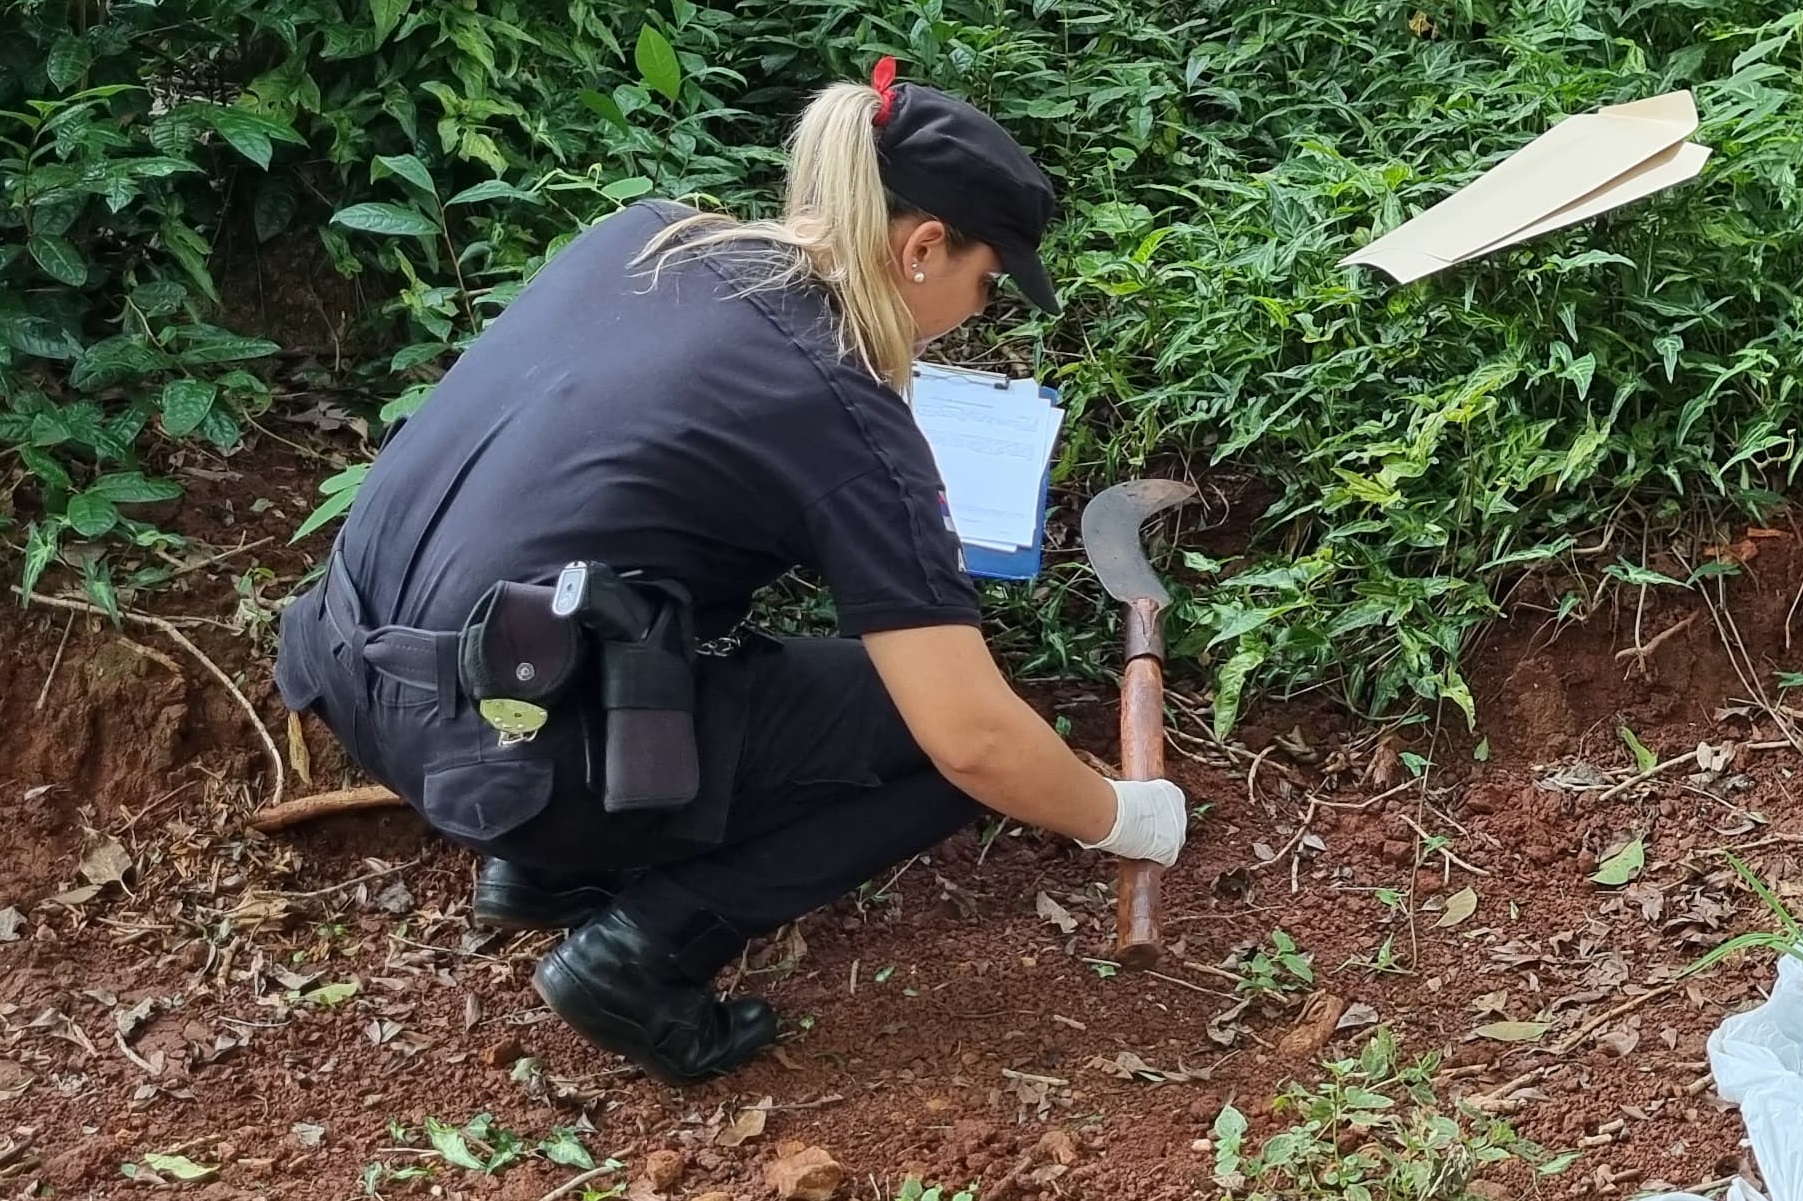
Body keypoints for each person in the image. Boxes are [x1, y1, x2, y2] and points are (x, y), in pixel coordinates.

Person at [273, 60, 1189, 1085]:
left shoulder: (653, 236)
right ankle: (641, 958)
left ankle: (537, 871)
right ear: (923, 248)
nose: (981, 311)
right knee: (941, 752)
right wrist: (1123, 816)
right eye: (986, 281)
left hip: (351, 660)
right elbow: (972, 737)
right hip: (482, 742)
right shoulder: (837, 413)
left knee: (663, 578)